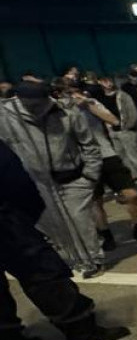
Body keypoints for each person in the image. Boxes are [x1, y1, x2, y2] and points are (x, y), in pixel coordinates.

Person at [0, 138, 130, 340]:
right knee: (39, 269)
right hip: (5, 220)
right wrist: (28, 214)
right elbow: (14, 178)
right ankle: (79, 328)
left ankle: (6, 339)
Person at [0, 79, 105, 277]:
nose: (35, 108)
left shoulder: (66, 112)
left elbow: (89, 144)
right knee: (53, 225)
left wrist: (90, 176)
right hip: (35, 181)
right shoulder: (6, 117)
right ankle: (69, 260)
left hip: (72, 177)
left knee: (79, 219)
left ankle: (93, 259)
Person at [73, 79, 137, 252]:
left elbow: (114, 121)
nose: (74, 96)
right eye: (69, 92)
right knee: (95, 201)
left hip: (107, 154)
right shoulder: (59, 111)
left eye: (76, 92)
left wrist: (88, 106)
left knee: (131, 194)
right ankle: (106, 235)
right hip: (84, 160)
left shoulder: (92, 104)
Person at [100, 76, 137, 188]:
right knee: (122, 156)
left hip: (126, 130)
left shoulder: (122, 96)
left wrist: (128, 126)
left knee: (133, 155)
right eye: (104, 82)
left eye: (108, 80)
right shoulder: (102, 98)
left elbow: (132, 112)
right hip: (112, 131)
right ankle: (135, 176)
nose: (107, 83)